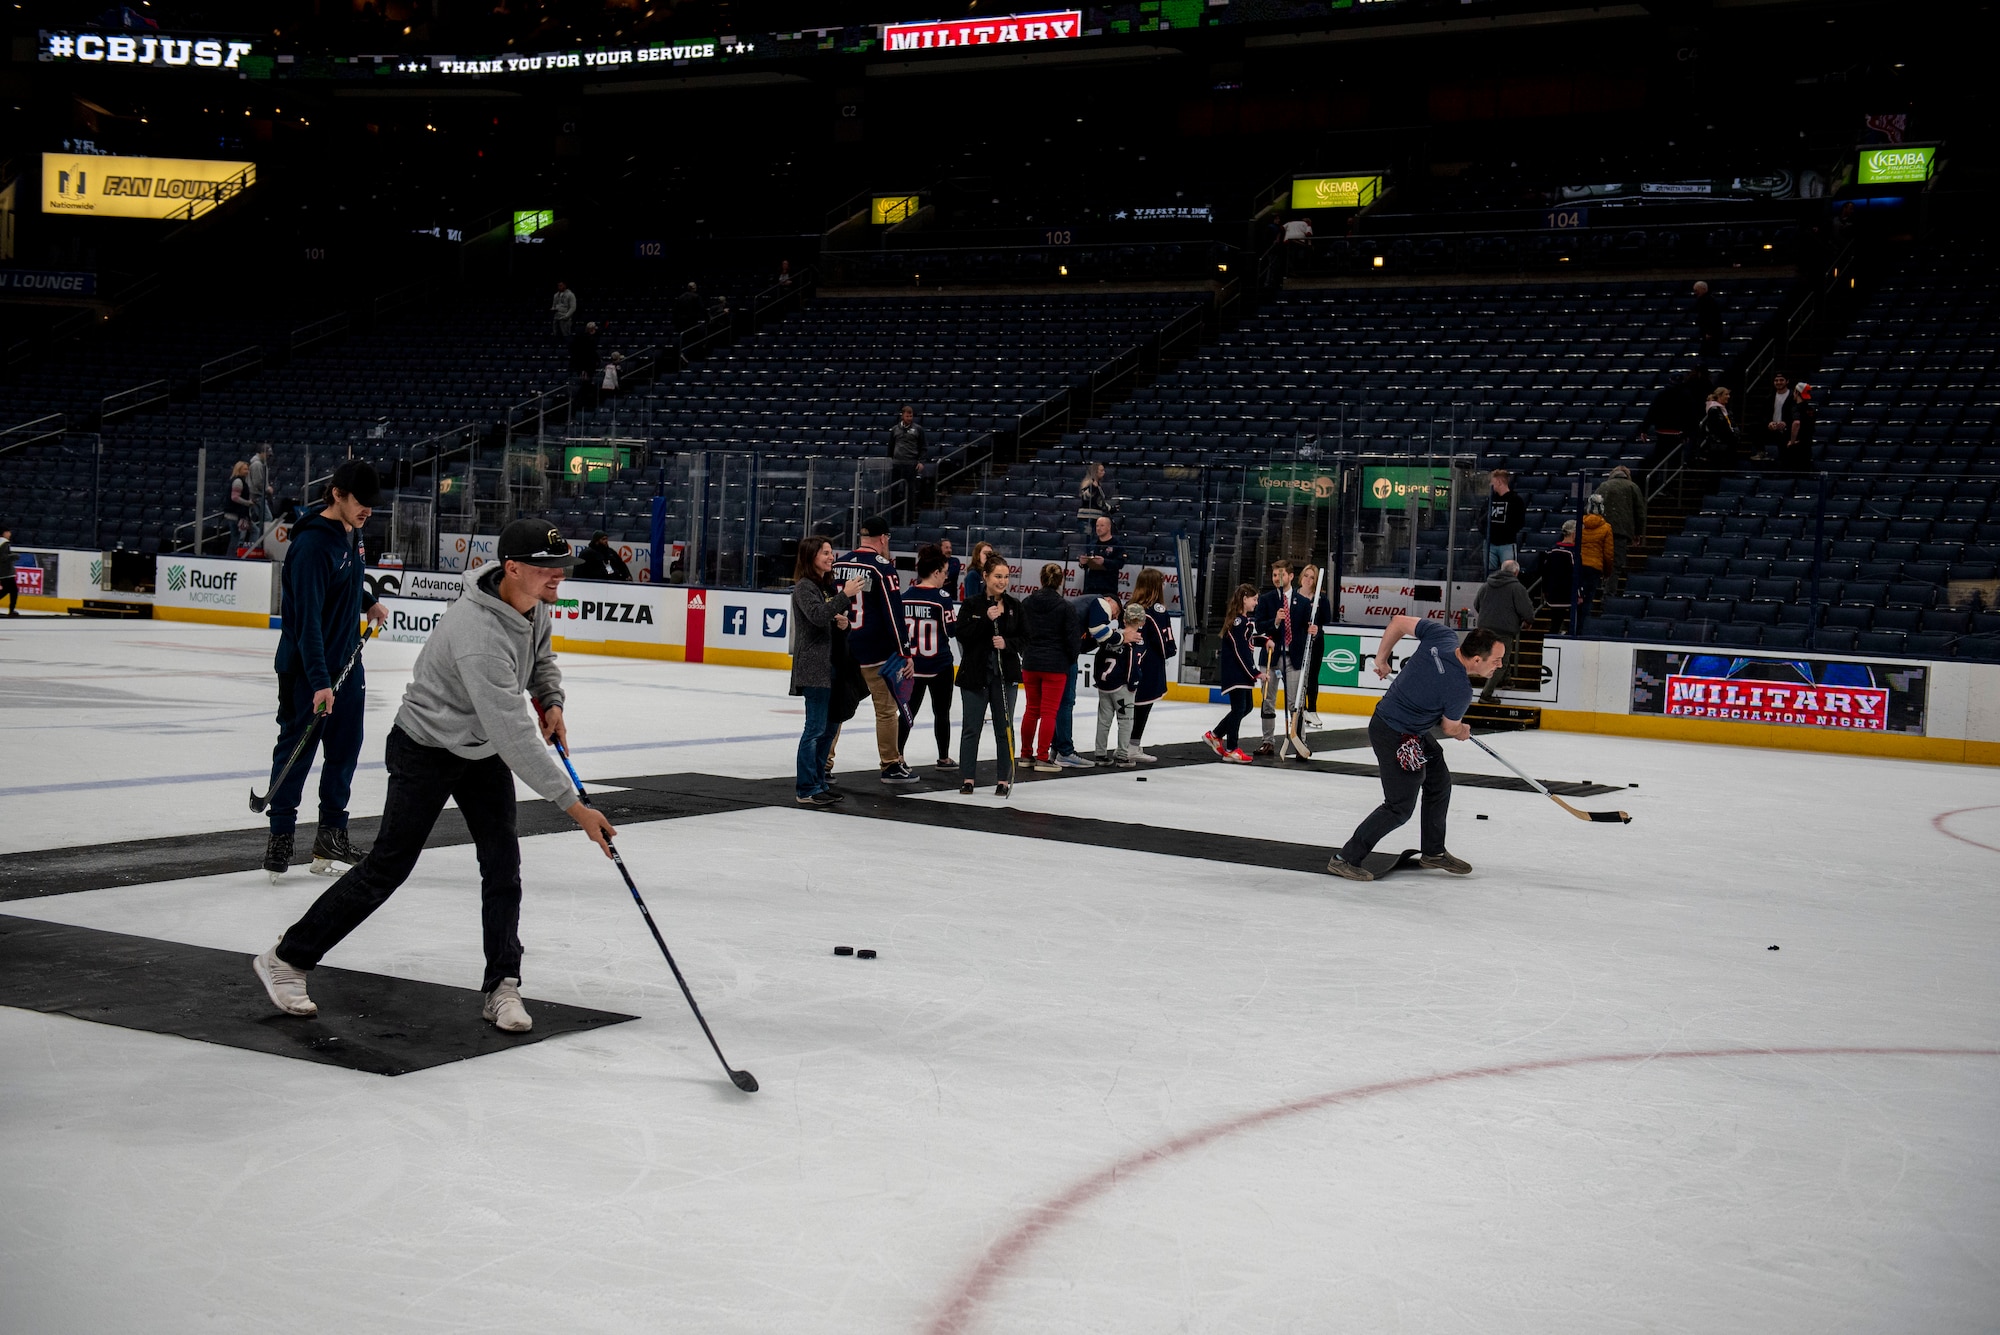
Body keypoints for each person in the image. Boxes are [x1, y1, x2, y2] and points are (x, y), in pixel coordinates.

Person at [252, 519, 618, 1029]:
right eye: (546, 568)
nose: (558, 576)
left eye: (561, 567)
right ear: (512, 568)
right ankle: (286, 960)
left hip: (479, 749)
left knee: (502, 863)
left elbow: (539, 659)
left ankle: (502, 986)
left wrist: (550, 700)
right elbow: (514, 736)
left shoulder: (533, 604)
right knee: (388, 866)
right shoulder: (478, 634)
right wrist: (575, 808)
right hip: (425, 747)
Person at [262, 458, 391, 881]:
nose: (368, 511)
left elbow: (349, 581)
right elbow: (307, 621)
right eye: (361, 502)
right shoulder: (313, 545)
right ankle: (281, 837)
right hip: (307, 670)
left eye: (372, 504)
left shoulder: (350, 533)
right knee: (296, 751)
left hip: (347, 664)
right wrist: (319, 681)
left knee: (344, 752)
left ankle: (330, 838)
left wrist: (366, 601)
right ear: (336, 494)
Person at [1324, 618, 1505, 881]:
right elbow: (1449, 728)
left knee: (1438, 781)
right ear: (1476, 659)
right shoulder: (1459, 689)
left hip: (1413, 731)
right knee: (1398, 806)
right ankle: (1345, 858)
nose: (1499, 665)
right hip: (1392, 733)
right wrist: (1462, 730)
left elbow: (1398, 623)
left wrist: (1381, 658)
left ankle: (1433, 851)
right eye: (1495, 660)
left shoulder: (1442, 636)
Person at [832, 515, 919, 786]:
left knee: (838, 709)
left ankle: (824, 762)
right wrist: (905, 651)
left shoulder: (839, 563)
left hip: (844, 648)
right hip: (875, 653)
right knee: (885, 710)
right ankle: (891, 764)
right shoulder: (882, 568)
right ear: (883, 539)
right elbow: (894, 613)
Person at [790, 535, 865, 808]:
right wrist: (845, 595)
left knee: (829, 728)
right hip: (815, 668)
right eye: (825, 553)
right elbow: (818, 616)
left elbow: (831, 619)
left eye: (831, 552)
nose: (831, 557)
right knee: (815, 729)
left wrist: (845, 623)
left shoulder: (825, 586)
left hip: (834, 666)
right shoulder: (804, 588)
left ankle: (819, 782)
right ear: (811, 557)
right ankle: (807, 787)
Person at [955, 555, 1022, 797]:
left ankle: (1004, 778)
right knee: (971, 728)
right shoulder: (972, 605)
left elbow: (1025, 639)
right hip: (975, 676)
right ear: (985, 576)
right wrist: (986, 619)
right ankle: (968, 778)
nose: (1002, 581)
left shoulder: (1015, 606)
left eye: (1006, 576)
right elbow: (962, 634)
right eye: (998, 576)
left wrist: (1007, 644)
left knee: (1004, 728)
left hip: (1004, 676)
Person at [899, 544, 958, 770]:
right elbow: (951, 631)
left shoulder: (905, 597)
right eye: (944, 572)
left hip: (911, 667)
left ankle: (898, 756)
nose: (945, 576)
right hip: (939, 665)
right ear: (935, 573)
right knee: (941, 712)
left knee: (907, 712)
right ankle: (943, 757)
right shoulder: (941, 598)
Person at [1018, 563, 1081, 773]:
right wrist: (1069, 660)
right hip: (1055, 665)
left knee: (1031, 710)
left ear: (1041, 579)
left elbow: (1020, 632)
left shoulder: (1027, 602)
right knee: (1049, 712)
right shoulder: (1065, 607)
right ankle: (1043, 757)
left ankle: (1026, 755)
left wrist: (1026, 654)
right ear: (1061, 581)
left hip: (1031, 663)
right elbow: (1073, 641)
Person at [1254, 557, 1312, 758]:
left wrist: (1313, 630)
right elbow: (1259, 626)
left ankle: (1298, 740)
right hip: (1271, 656)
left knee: (1294, 703)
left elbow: (1307, 628)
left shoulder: (1303, 602)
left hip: (1293, 658)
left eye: (1281, 574)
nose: (1277, 578)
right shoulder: (1267, 599)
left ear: (1290, 576)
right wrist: (1275, 621)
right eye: (1274, 575)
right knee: (1267, 700)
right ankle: (1267, 741)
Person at [1204, 584, 1260, 764]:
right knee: (1238, 709)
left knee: (1247, 707)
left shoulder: (1243, 621)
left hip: (1241, 673)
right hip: (1237, 673)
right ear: (1245, 599)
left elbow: (1247, 641)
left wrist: (1264, 640)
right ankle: (1231, 748)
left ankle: (1216, 734)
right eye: (1254, 599)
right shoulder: (1238, 622)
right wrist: (1255, 672)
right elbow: (1240, 649)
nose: (1256, 603)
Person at [1125, 566, 1176, 763]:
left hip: (1131, 660)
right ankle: (1132, 746)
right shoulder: (1157, 610)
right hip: (1150, 663)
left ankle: (1125, 745)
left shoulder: (1131, 605)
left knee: (1130, 706)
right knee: (1143, 706)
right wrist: (1169, 652)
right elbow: (1164, 640)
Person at [1091, 599, 1145, 767]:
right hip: (1122, 687)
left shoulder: (1112, 636)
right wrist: (1133, 684)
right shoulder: (1134, 640)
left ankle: (1100, 754)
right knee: (1125, 720)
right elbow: (1132, 665)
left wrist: (1098, 679)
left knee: (1103, 720)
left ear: (1123, 619)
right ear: (1142, 621)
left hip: (1104, 685)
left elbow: (1098, 658)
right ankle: (1122, 755)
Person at [1473, 559, 1534, 703]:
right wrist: (1529, 620)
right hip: (1504, 630)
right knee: (1501, 662)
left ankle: (1507, 681)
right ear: (1516, 572)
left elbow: (1476, 604)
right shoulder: (1517, 588)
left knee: (1499, 656)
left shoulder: (1487, 585)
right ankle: (1486, 695)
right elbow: (1525, 609)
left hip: (1485, 628)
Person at [1596, 464, 1646, 597]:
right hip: (1621, 532)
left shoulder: (1603, 486)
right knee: (1615, 565)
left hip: (1601, 531)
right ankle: (1608, 597)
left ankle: (1600, 589)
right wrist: (1638, 533)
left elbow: (1592, 508)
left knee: (1600, 562)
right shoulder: (1632, 487)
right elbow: (1640, 512)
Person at [1484, 469, 1527, 574]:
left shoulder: (1515, 500)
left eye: (1492, 481)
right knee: (1489, 574)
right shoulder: (1490, 499)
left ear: (1498, 482)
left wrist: (1506, 533)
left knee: (1509, 573)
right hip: (1490, 544)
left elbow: (1519, 522)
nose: (1491, 484)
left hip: (1507, 544)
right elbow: (1482, 518)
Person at [889, 405, 926, 524]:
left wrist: (921, 461)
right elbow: (890, 447)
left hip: (911, 465)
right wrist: (889, 461)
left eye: (911, 416)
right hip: (896, 465)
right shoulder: (895, 429)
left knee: (910, 493)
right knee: (894, 492)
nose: (909, 418)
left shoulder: (918, 429)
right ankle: (894, 519)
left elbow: (923, 447)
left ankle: (909, 520)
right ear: (902, 415)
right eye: (907, 416)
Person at [1579, 494, 1613, 615]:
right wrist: (1607, 572)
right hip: (1595, 567)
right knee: (1588, 599)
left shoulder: (1579, 524)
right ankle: (1581, 629)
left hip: (1579, 565)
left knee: (1577, 598)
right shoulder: (1607, 528)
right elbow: (1608, 554)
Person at [1541, 522, 1578, 633]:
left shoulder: (1552, 550)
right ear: (1573, 533)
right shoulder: (1573, 553)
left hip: (1554, 593)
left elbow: (1545, 572)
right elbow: (1576, 574)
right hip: (1567, 593)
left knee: (1555, 623)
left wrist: (1545, 589)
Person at [1754, 372, 1799, 462]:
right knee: (1755, 426)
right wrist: (1769, 423)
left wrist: (1786, 423)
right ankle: (1761, 452)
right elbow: (1764, 415)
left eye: (1781, 380)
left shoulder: (1793, 397)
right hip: (1773, 428)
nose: (1778, 382)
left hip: (1787, 429)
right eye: (1776, 380)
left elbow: (1796, 415)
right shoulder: (1770, 397)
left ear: (1787, 381)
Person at [1080, 515, 1125, 596]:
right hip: (1091, 587)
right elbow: (1086, 564)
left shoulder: (1117, 544)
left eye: (1102, 525)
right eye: (1097, 526)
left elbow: (1120, 563)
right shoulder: (1092, 544)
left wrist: (1104, 562)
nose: (1098, 528)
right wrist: (1083, 562)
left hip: (1108, 588)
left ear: (1109, 527)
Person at [1780, 381, 1817, 475]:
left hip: (1797, 446)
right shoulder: (1810, 409)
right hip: (1807, 445)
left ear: (1797, 392)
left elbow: (1796, 423)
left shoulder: (1796, 408)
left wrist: (1792, 441)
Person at [1697, 386, 1737, 468]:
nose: (1728, 397)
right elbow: (1719, 428)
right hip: (1718, 445)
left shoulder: (1724, 409)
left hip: (1726, 443)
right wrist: (1732, 434)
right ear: (1719, 396)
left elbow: (1731, 424)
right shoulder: (1714, 410)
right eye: (1726, 394)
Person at [1077, 462, 1112, 534]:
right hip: (1087, 519)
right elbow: (1085, 496)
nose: (1104, 472)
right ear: (1095, 472)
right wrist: (1092, 488)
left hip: (1096, 519)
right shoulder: (1088, 484)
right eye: (1101, 470)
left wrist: (1111, 509)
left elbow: (1100, 502)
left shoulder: (1099, 486)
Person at [226, 460, 255, 546]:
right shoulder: (238, 481)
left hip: (235, 514)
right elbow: (235, 497)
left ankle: (233, 555)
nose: (247, 471)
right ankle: (244, 551)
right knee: (238, 537)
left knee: (236, 537)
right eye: (245, 469)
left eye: (248, 469)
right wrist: (247, 503)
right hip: (237, 515)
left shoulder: (237, 481)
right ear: (239, 470)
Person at [1692, 280, 1722, 361]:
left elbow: (1711, 317)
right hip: (1706, 332)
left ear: (1703, 289)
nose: (1695, 293)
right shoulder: (1704, 300)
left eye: (1696, 290)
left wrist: (1709, 332)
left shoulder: (1707, 300)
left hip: (1710, 333)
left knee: (1709, 354)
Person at [248, 444, 274, 529]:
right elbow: (258, 483)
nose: (268, 457)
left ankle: (257, 537)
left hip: (258, 496)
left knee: (258, 519)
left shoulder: (261, 464)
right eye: (267, 454)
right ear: (262, 453)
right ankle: (260, 539)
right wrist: (267, 489)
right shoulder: (257, 464)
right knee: (267, 518)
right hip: (257, 496)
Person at [960, 541, 994, 605]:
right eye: (985, 553)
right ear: (978, 555)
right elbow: (972, 600)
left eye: (990, 554)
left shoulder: (991, 574)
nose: (988, 556)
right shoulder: (973, 575)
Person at [0, 524, 17, 616]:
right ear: (4, 533)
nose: (10, 534)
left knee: (6, 590)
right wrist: (13, 556)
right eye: (8, 532)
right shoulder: (4, 542)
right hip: (6, 572)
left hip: (2, 572)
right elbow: (2, 558)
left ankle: (12, 609)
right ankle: (12, 610)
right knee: (13, 590)